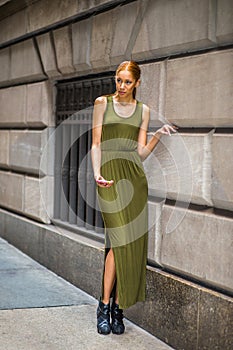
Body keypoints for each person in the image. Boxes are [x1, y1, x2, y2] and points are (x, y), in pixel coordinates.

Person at [91, 60, 176, 335]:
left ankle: (118, 309)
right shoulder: (102, 102)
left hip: (134, 179)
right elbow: (95, 144)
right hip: (109, 177)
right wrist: (96, 174)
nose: (122, 86)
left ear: (137, 83)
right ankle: (103, 306)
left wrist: (156, 137)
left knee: (130, 243)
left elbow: (139, 153)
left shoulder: (143, 111)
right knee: (118, 240)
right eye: (119, 80)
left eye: (128, 81)